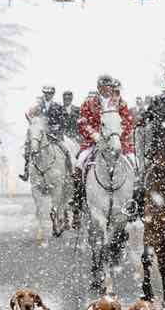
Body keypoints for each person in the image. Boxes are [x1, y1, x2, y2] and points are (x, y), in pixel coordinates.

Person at [76, 74, 138, 211]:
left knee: (134, 163)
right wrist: (94, 135)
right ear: (98, 88)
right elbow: (82, 122)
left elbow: (127, 122)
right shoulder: (89, 103)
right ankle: (78, 198)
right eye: (103, 87)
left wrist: (116, 135)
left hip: (119, 142)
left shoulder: (120, 102)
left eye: (109, 86)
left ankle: (134, 199)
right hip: (93, 143)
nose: (106, 89)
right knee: (79, 162)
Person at [20, 86, 64, 181]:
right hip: (39, 134)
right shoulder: (37, 105)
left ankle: (70, 170)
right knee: (28, 149)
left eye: (50, 93)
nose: (48, 95)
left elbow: (61, 122)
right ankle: (26, 171)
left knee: (65, 150)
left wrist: (55, 128)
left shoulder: (58, 106)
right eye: (46, 93)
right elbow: (29, 115)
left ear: (53, 94)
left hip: (53, 135)